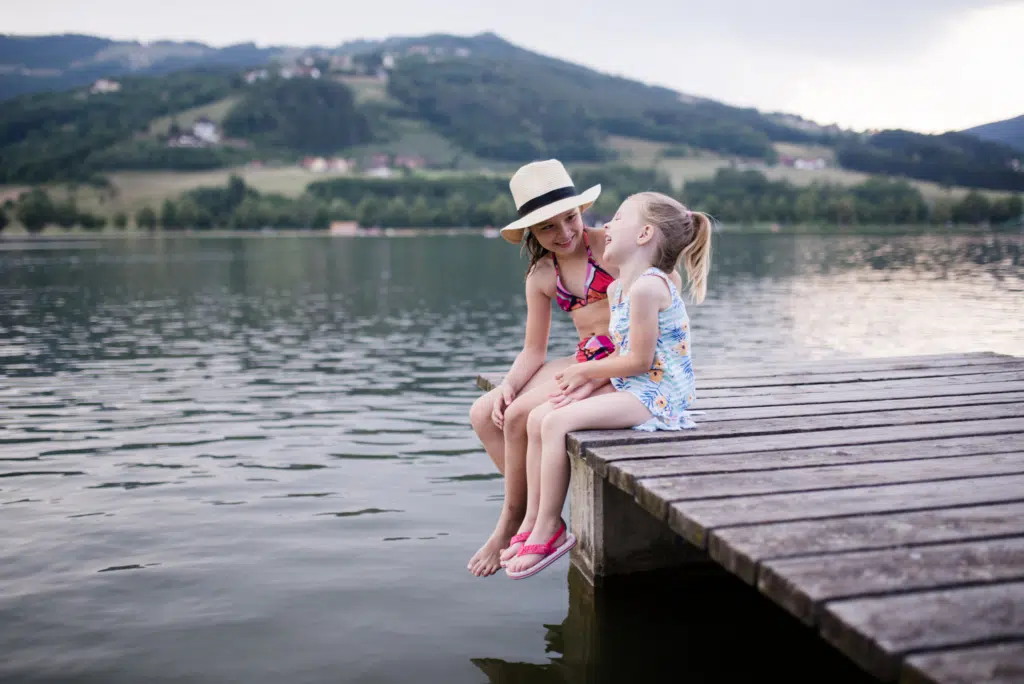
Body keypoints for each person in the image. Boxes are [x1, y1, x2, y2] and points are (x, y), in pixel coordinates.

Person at [503, 191, 712, 580]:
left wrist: (585, 374)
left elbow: (641, 362)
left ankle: (550, 528)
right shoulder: (619, 288)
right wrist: (584, 385)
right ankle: (532, 521)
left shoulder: (649, 287)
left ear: (645, 233)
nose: (608, 225)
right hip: (629, 385)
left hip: (656, 395)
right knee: (536, 418)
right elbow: (621, 351)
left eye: (618, 218)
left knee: (553, 423)